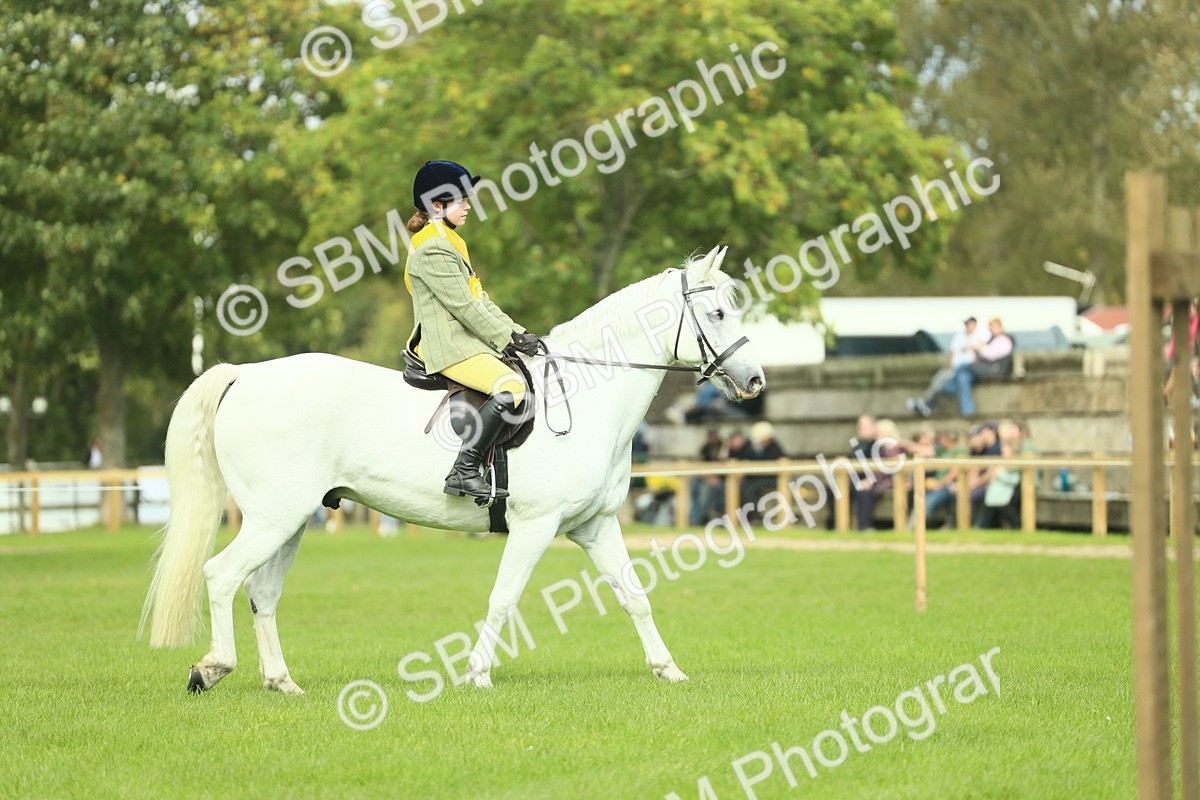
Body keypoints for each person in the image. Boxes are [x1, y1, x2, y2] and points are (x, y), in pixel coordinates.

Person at [403, 160, 543, 501]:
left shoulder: (450, 240)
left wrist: (519, 332)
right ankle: (464, 470)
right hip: (447, 345)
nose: (468, 205)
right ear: (437, 205)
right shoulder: (433, 246)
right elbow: (464, 309)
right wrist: (506, 338)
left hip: (466, 339)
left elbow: (480, 300)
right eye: (460, 199)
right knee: (512, 387)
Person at [907, 317, 988, 417]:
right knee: (937, 380)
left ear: (974, 325)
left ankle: (926, 403)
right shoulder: (960, 337)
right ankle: (925, 402)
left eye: (969, 324)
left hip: (967, 368)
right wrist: (949, 363)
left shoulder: (980, 336)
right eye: (966, 324)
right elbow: (953, 353)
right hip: (954, 367)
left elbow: (984, 353)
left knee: (946, 383)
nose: (967, 327)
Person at [949, 318, 1015, 416]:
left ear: (1000, 327)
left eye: (993, 326)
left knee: (962, 367)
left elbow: (990, 354)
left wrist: (977, 347)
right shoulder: (992, 340)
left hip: (995, 370)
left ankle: (947, 387)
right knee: (963, 377)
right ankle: (968, 410)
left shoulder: (1004, 340)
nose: (991, 329)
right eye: (990, 327)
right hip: (988, 369)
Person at [910, 428, 968, 528]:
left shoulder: (960, 450)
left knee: (928, 502)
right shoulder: (941, 450)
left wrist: (939, 484)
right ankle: (911, 527)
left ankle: (915, 528)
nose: (940, 442)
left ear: (949, 440)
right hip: (938, 484)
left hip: (949, 485)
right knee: (919, 497)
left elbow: (954, 472)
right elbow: (923, 450)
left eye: (942, 439)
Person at [855, 418, 904, 531]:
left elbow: (888, 470)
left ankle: (866, 526)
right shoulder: (880, 448)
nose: (877, 437)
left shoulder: (895, 447)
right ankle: (864, 526)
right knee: (863, 491)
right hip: (881, 480)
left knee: (866, 491)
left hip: (893, 480)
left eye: (879, 433)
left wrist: (871, 481)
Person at [976, 421, 1024, 529]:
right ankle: (982, 526)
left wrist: (999, 474)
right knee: (988, 504)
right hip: (996, 491)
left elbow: (1013, 478)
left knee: (1006, 507)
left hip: (1008, 490)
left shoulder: (1015, 456)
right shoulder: (999, 454)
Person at [688, 429, 726, 525]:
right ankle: (692, 518)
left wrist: (725, 447)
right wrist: (708, 476)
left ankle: (698, 520)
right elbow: (700, 465)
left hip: (720, 479)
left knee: (704, 491)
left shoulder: (723, 447)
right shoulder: (705, 448)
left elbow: (724, 464)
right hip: (705, 477)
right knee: (693, 484)